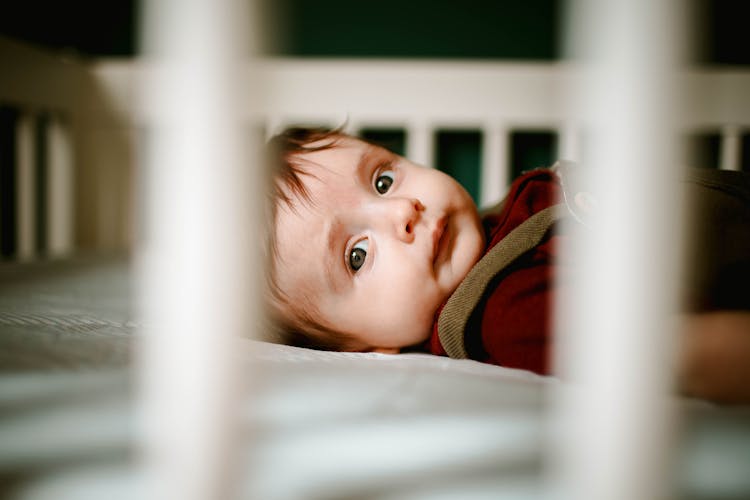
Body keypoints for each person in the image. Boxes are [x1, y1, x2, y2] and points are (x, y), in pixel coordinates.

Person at [265, 126, 750, 404]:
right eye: (357, 254)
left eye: (384, 180)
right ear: (367, 348)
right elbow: (678, 352)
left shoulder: (502, 224)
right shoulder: (505, 314)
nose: (401, 211)